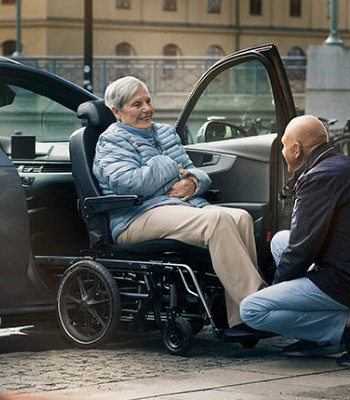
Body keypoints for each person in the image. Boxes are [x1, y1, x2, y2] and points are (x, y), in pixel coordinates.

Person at [93, 76, 267, 334]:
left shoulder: (164, 132)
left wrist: (194, 182)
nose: (146, 109)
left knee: (240, 217)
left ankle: (239, 317)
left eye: (148, 101)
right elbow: (127, 184)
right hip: (136, 216)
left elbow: (194, 171)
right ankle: (259, 307)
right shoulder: (112, 140)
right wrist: (167, 166)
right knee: (217, 221)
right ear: (116, 112)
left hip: (177, 206)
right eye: (136, 104)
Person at [240, 115, 350, 366]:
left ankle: (344, 325)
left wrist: (277, 289)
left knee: (252, 310)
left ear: (296, 148)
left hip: (343, 278)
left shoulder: (317, 178)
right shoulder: (341, 164)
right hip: (342, 261)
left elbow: (302, 249)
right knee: (280, 240)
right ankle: (319, 338)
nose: (282, 151)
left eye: (283, 145)